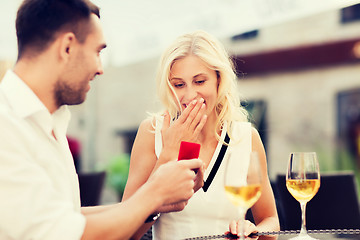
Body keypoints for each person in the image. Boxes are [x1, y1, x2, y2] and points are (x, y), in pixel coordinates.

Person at [0, 0, 205, 239]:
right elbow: (63, 234)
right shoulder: (6, 126)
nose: (100, 68)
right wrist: (155, 193)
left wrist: (157, 194)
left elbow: (69, 218)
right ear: (67, 47)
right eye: (97, 51)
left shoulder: (46, 122)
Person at [122, 30, 280, 239]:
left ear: (218, 79)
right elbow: (126, 230)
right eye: (179, 85)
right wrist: (168, 153)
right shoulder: (152, 133)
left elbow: (271, 220)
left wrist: (254, 230)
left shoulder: (246, 138)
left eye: (199, 81)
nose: (189, 95)